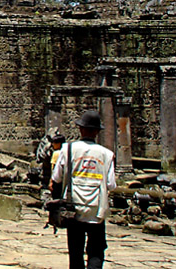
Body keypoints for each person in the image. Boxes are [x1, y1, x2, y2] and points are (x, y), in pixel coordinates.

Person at [51, 110, 116, 269]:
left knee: (75, 250)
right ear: (96, 132)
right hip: (96, 209)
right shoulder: (107, 154)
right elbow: (111, 184)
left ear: (80, 129)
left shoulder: (68, 150)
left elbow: (56, 178)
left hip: (73, 208)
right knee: (96, 250)